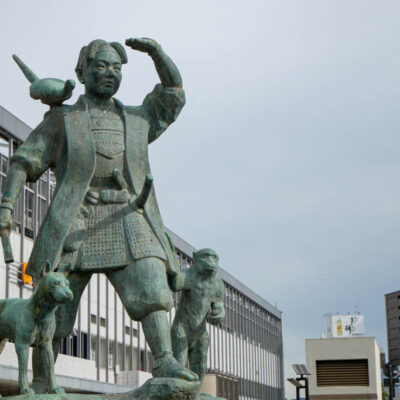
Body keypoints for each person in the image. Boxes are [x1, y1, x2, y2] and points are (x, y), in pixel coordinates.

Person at [0, 37, 197, 391]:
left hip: (128, 214)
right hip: (77, 218)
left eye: (117, 68)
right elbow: (23, 161)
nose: (110, 73)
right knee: (53, 306)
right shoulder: (63, 120)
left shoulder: (137, 119)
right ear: (82, 72)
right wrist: (5, 206)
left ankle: (165, 359)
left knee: (152, 283)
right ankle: (44, 379)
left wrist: (158, 54)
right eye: (101, 66)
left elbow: (173, 94)